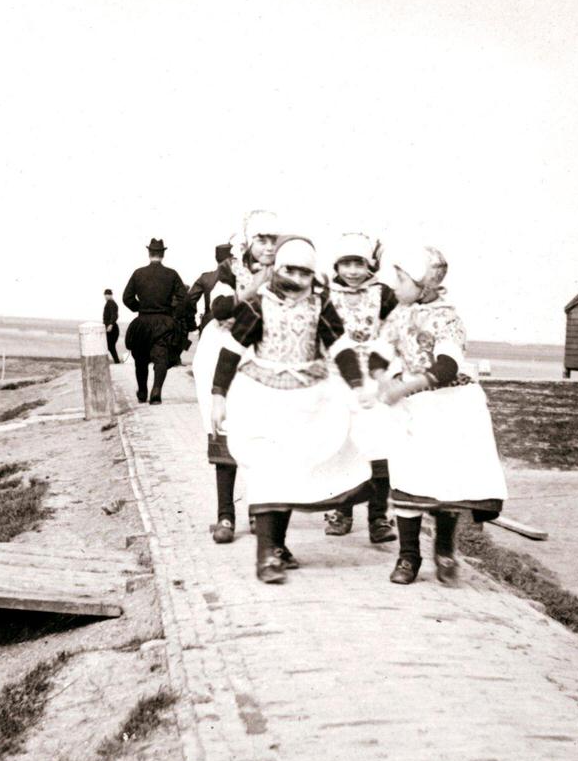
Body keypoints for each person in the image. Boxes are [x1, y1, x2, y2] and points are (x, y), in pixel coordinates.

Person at [209, 236, 370, 584]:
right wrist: (218, 395)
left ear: (314, 274)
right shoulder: (257, 305)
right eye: (290, 270)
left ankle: (277, 545)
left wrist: (357, 385)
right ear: (277, 269)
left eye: (304, 272)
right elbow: (232, 350)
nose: (296, 278)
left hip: (307, 400)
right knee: (268, 470)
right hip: (262, 398)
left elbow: (340, 347)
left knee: (291, 474)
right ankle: (266, 555)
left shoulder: (320, 306)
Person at [369, 245, 507, 586]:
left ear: (422, 284)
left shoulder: (446, 316)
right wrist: (382, 377)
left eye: (401, 278)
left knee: (444, 482)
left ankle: (444, 548)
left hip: (448, 406)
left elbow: (447, 365)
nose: (396, 285)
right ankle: (408, 555)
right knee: (407, 479)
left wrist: (407, 385)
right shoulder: (399, 315)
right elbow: (379, 353)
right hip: (413, 410)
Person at [192, 213, 277, 545]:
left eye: (274, 240)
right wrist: (251, 291)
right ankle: (225, 514)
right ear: (249, 241)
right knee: (224, 429)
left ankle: (259, 509)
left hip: (265, 354)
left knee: (262, 434)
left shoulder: (288, 271)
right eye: (262, 239)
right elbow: (222, 308)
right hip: (226, 352)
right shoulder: (231, 271)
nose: (268, 247)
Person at [323, 233, 399, 544]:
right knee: (343, 445)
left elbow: (400, 324)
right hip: (336, 376)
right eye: (347, 264)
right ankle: (342, 511)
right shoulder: (326, 294)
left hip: (374, 376)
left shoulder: (383, 294)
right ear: (337, 265)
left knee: (379, 447)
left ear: (369, 264)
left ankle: (378, 516)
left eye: (359, 264)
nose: (353, 271)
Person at [122, 238, 185, 405]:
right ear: (163, 254)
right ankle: (156, 390)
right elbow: (183, 299)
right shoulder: (172, 274)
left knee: (140, 357)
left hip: (142, 321)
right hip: (164, 321)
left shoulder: (138, 273)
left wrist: (139, 308)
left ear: (149, 253)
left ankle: (142, 391)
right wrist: (173, 314)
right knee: (161, 357)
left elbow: (126, 298)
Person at [102, 288, 122, 363]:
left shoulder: (111, 303)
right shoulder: (109, 303)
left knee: (110, 346)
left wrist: (111, 324)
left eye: (107, 295)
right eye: (105, 295)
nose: (105, 297)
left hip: (112, 328)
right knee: (109, 346)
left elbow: (115, 315)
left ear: (110, 295)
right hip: (109, 327)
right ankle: (116, 361)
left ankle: (116, 361)